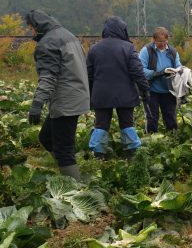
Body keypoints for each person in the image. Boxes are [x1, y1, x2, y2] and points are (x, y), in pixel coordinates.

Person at [25, 10, 90, 180]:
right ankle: (66, 172)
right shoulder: (67, 35)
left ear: (36, 26)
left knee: (63, 149)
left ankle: (75, 188)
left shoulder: (48, 43)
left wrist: (37, 104)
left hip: (66, 100)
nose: (31, 32)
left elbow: (48, 77)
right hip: (76, 95)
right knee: (46, 137)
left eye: (31, 28)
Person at [86, 16, 150, 159]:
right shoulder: (128, 47)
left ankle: (98, 156)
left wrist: (90, 94)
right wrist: (145, 89)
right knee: (127, 123)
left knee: (101, 124)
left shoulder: (94, 48)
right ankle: (132, 155)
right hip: (125, 94)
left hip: (101, 94)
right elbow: (137, 71)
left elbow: (88, 75)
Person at [139, 27, 182, 133]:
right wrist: (159, 73)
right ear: (153, 39)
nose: (163, 44)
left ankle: (172, 139)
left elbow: (178, 66)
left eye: (165, 41)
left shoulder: (172, 51)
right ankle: (152, 140)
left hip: (168, 90)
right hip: (151, 90)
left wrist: (178, 71)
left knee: (170, 117)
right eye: (160, 41)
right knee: (152, 118)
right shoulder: (147, 50)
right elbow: (140, 70)